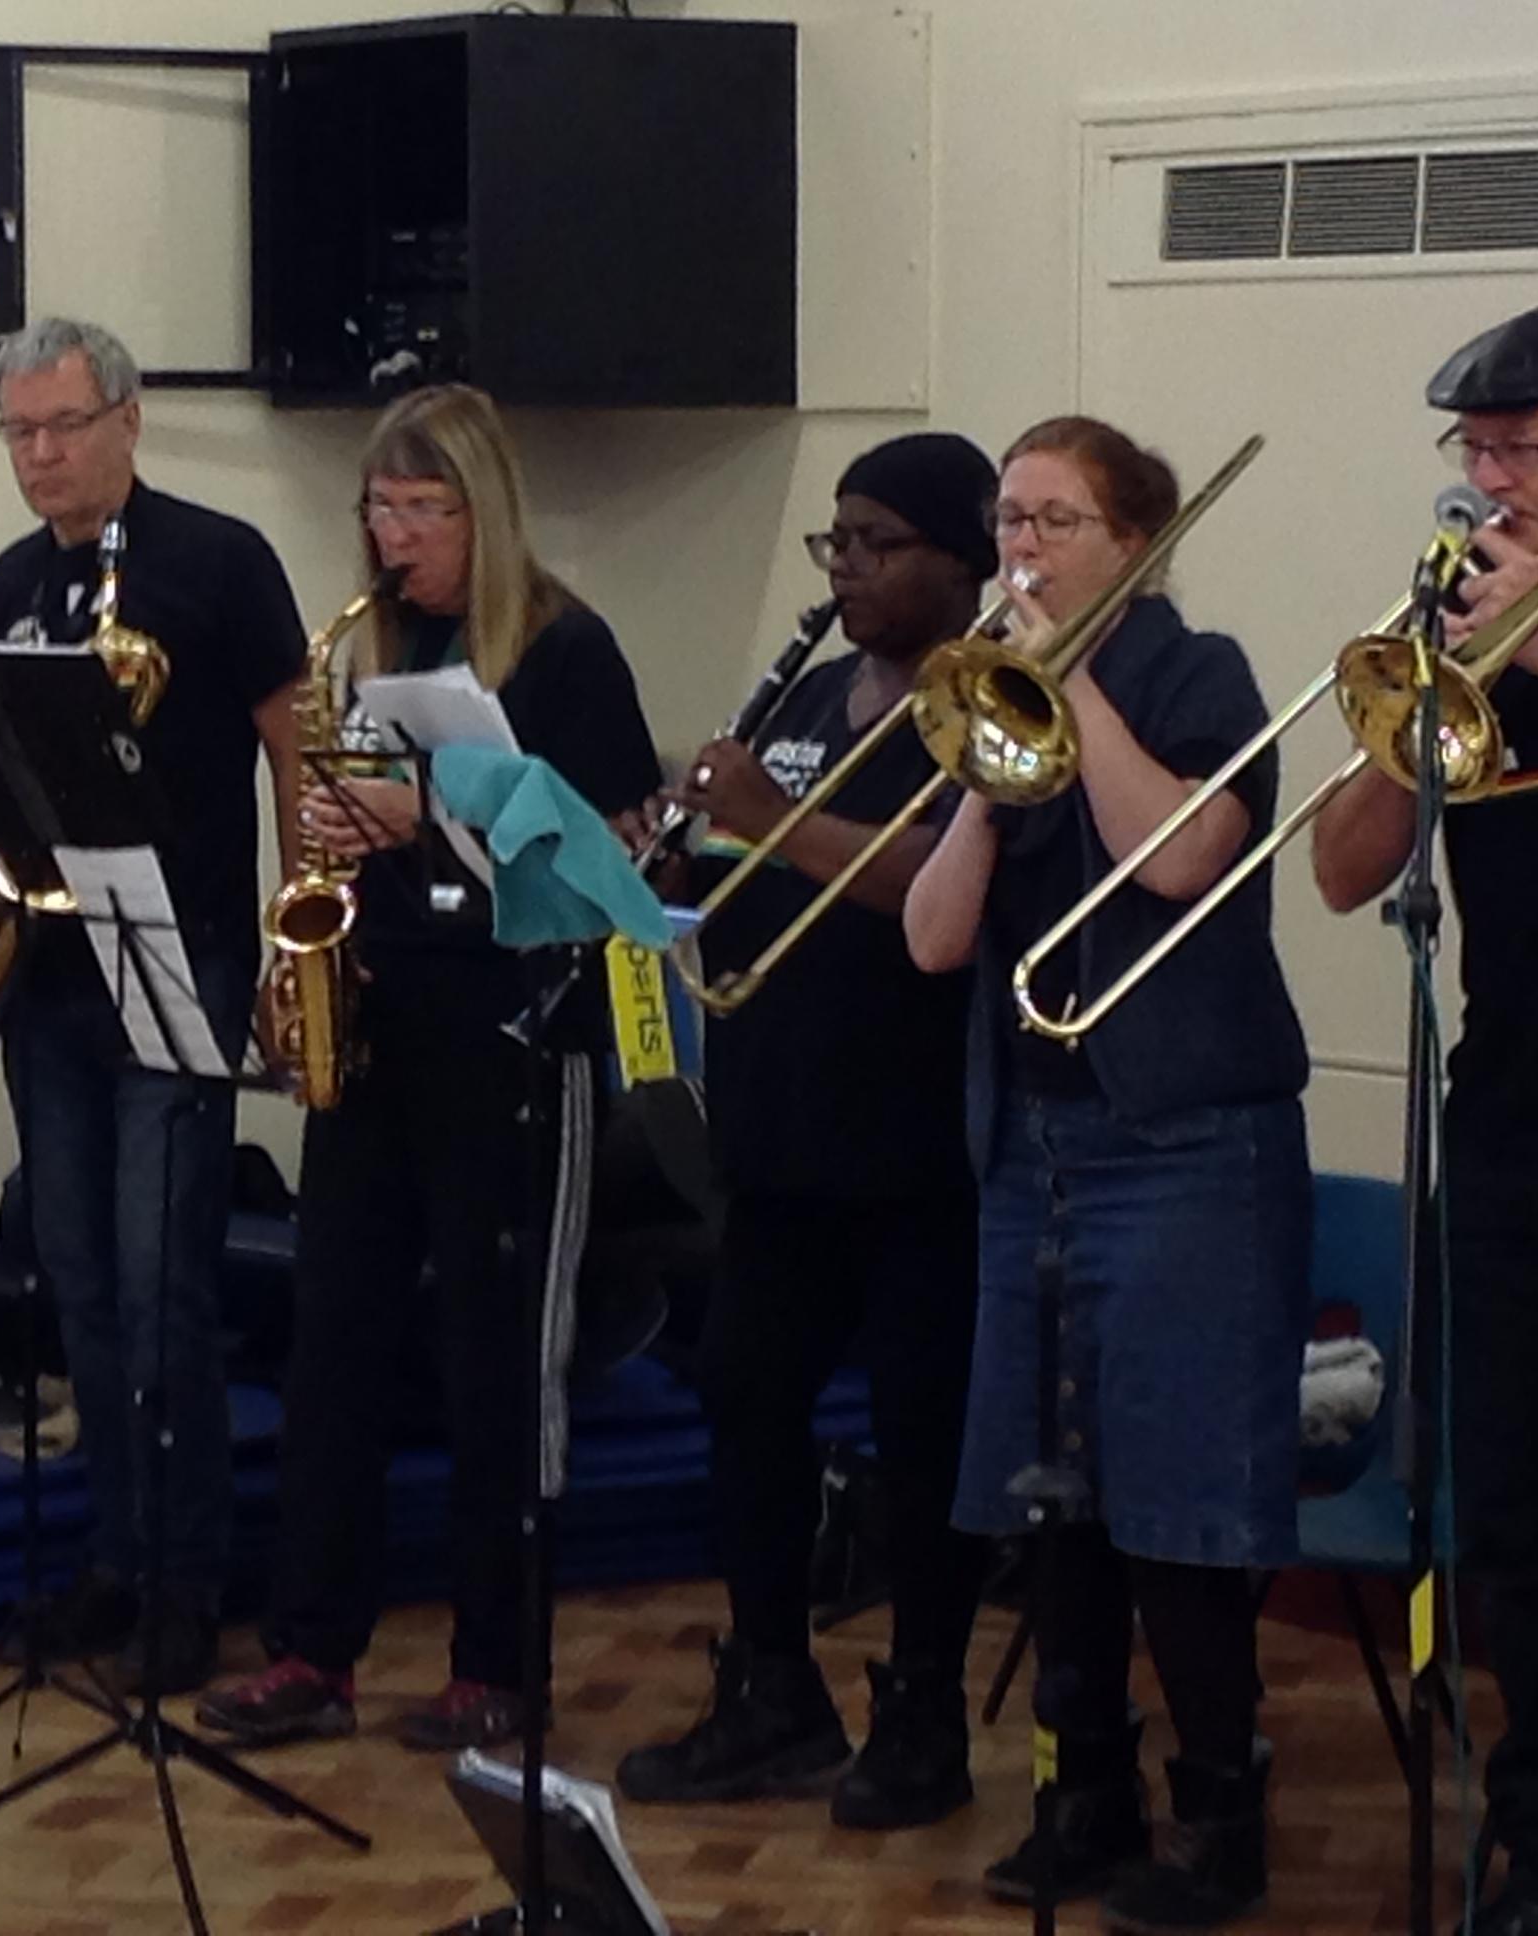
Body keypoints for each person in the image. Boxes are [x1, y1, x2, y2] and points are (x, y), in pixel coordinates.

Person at [193, 383, 660, 1753]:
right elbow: (336, 840)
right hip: (384, 1026)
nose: (392, 536)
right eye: (378, 507)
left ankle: (497, 1662)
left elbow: (612, 861)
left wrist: (427, 814)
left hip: (514, 1034)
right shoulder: (375, 654)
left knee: (495, 1360)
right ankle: (312, 1649)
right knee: (333, 1343)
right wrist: (318, 907)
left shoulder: (568, 652)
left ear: (483, 509)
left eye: (422, 508)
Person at [903, 418, 1311, 1930]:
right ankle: (1082, 1791)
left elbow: (1184, 860)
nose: (1019, 549)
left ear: (1132, 544)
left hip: (1189, 1147)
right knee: (1052, 1497)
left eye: (1054, 521)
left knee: (1177, 1504)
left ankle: (1221, 1814)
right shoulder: (984, 697)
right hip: (1036, 1144)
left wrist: (1066, 686)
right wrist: (980, 783)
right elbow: (933, 940)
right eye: (1008, 519)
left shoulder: (1197, 676)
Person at [1313, 301, 1538, 1936]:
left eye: (1521, 446)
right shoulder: (1456, 600)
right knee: (1522, 1534)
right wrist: (1430, 693)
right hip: (1510, 1137)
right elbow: (1341, 872)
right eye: (1472, 447)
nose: (1490, 478)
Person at [0, 318, 303, 1696]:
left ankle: (191, 1582)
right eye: (18, 432)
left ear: (128, 421)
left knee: (161, 1283)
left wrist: (297, 934)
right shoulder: (15, 577)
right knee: (76, 1276)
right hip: (47, 968)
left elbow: (291, 746)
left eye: (63, 426)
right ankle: (116, 1560)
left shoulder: (221, 560)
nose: (40, 455)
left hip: (181, 955)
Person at [612, 433, 992, 1828]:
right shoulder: (809, 700)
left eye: (882, 543)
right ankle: (772, 1684)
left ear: (965, 560)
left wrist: (770, 822)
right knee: (746, 1396)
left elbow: (935, 886)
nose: (850, 570)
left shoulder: (982, 710)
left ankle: (926, 1710)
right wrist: (675, 844)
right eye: (839, 542)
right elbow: (738, 877)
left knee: (924, 1430)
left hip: (917, 1142)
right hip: (780, 1131)